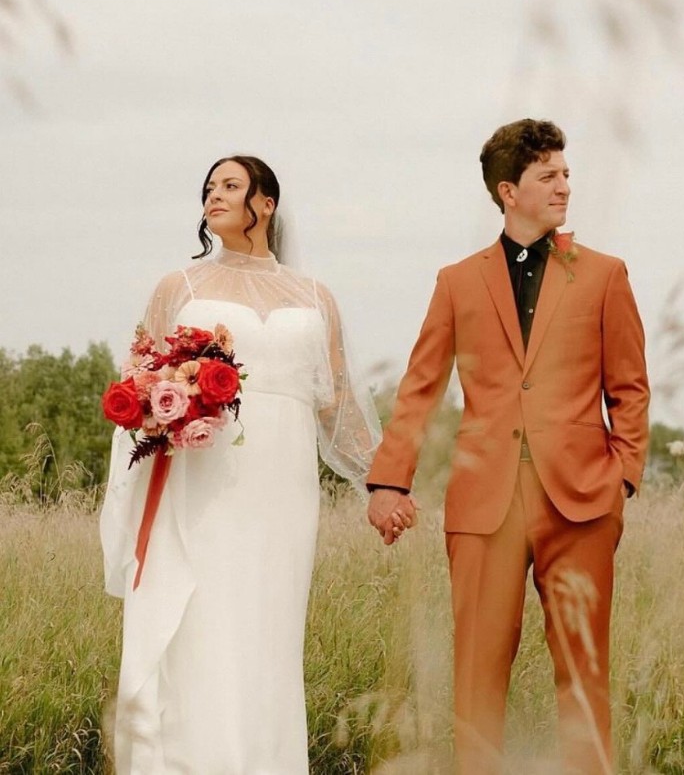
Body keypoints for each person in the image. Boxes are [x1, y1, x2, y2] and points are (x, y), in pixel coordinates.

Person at [366, 119, 649, 774]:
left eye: (567, 173)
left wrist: (622, 475)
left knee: (584, 675)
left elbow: (629, 386)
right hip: (483, 504)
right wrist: (389, 481)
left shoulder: (605, 275)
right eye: (548, 175)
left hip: (581, 502)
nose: (564, 186)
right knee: (477, 675)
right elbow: (420, 387)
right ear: (508, 190)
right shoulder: (457, 281)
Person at [100, 155, 384, 774]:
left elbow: (336, 400)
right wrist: (163, 407)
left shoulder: (315, 296)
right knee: (201, 621)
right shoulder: (180, 287)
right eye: (208, 188)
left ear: (266, 204)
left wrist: (382, 481)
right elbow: (138, 379)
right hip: (201, 475)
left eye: (230, 186)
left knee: (267, 632)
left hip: (283, 488)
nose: (213, 196)